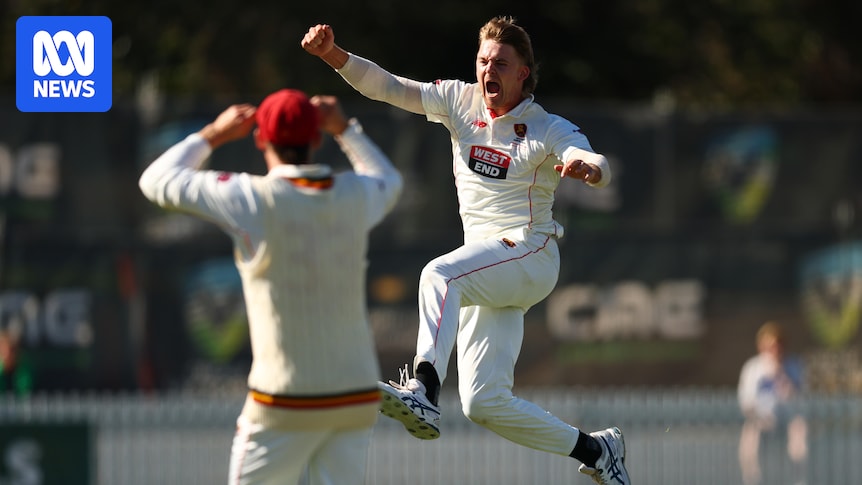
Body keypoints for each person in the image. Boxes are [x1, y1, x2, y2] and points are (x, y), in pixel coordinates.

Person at [302, 16, 630, 484]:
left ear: (523, 73)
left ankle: (422, 389)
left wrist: (588, 168)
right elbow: (390, 88)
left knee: (439, 275)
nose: (487, 69)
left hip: (531, 255)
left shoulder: (545, 126)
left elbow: (585, 154)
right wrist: (333, 55)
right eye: (482, 60)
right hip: (489, 266)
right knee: (484, 403)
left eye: (500, 62)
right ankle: (598, 450)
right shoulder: (459, 100)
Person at [139, 90, 403, 485]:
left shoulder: (251, 198)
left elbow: (155, 180)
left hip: (284, 399)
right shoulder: (353, 194)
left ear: (261, 140)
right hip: (355, 393)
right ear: (316, 140)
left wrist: (213, 134)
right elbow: (389, 179)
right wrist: (345, 129)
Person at [738, 321, 808, 485]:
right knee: (750, 437)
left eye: (778, 345)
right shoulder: (753, 368)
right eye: (770, 346)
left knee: (800, 432)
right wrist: (759, 417)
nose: (775, 350)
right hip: (761, 420)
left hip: (788, 418)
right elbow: (746, 401)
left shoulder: (794, 365)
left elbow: (801, 397)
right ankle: (752, 480)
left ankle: (798, 479)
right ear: (761, 346)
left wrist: (780, 375)